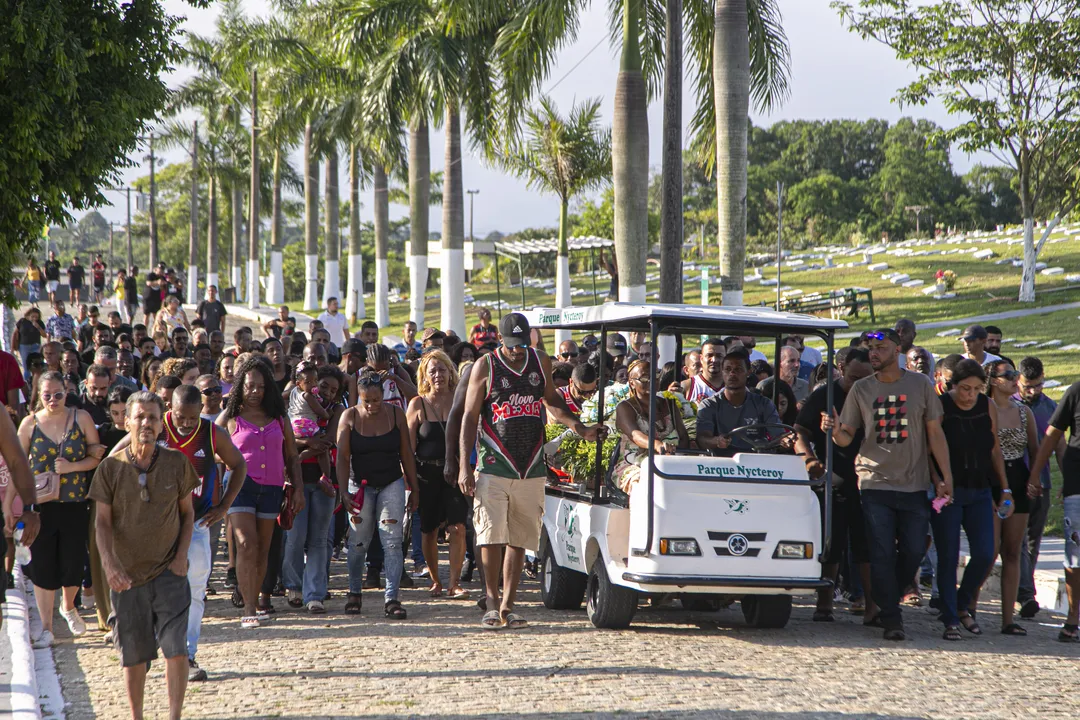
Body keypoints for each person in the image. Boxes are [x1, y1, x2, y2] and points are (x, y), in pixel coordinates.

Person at [458, 312, 600, 629]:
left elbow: (551, 401)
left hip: (531, 465)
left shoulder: (539, 361)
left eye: (522, 344)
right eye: (512, 345)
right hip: (493, 463)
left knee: (520, 538)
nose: (518, 350)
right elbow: (469, 416)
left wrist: (580, 427)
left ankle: (509, 605)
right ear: (501, 341)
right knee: (491, 535)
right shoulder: (486, 366)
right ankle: (491, 602)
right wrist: (462, 466)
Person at [822, 327, 952, 641]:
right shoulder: (862, 389)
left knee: (912, 550)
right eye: (869, 348)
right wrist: (834, 429)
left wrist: (946, 478)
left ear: (897, 349)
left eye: (879, 347)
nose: (873, 353)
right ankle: (892, 619)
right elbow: (847, 436)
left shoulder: (921, 384)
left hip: (914, 483)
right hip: (873, 481)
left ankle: (885, 595)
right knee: (880, 552)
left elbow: (935, 434)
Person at [89, 392, 198, 720]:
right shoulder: (110, 469)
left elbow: (188, 515)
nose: (146, 423)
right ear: (126, 421)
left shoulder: (177, 464)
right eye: (140, 417)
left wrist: (181, 557)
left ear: (161, 422)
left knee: (176, 649)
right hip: (127, 577)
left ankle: (174, 716)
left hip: (169, 572)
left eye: (153, 417)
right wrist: (110, 566)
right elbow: (102, 523)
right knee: (134, 656)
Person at [163, 385, 247, 680]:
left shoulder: (212, 433)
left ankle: (187, 654)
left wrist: (224, 506)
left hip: (198, 521)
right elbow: (117, 456)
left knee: (195, 589)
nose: (185, 423)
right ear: (168, 408)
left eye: (191, 417)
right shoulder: (155, 427)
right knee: (152, 589)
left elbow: (239, 465)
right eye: (179, 417)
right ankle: (146, 649)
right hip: (157, 524)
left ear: (200, 410)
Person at [17, 371, 103, 647]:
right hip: (41, 506)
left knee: (73, 561)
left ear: (67, 393)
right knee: (42, 565)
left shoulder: (81, 418)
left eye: (58, 394)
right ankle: (45, 627)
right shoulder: (29, 424)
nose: (53, 400)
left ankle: (68, 606)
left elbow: (95, 455)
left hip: (74, 503)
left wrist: (72, 467)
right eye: (47, 395)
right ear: (38, 396)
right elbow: (17, 464)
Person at [217, 356, 303, 628]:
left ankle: (257, 599)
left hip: (272, 487)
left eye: (261, 387)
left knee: (263, 548)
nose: (255, 391)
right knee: (246, 543)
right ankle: (249, 608)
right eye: (250, 386)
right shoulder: (231, 416)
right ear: (240, 386)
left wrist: (297, 488)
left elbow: (292, 455)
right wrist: (232, 460)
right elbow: (208, 445)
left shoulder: (279, 417)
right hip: (239, 487)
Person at [927, 360, 1006, 640]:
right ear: (953, 385)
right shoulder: (940, 406)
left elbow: (994, 447)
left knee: (986, 552)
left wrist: (1004, 488)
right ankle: (950, 618)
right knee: (948, 557)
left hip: (980, 489)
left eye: (976, 389)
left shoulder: (987, 406)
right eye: (964, 388)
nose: (970, 395)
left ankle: (962, 605)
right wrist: (938, 481)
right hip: (949, 492)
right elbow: (930, 449)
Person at [795, 347, 876, 622]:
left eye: (867, 378)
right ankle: (825, 602)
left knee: (867, 543)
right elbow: (800, 430)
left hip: (872, 477)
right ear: (841, 369)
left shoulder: (878, 394)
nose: (860, 384)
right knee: (832, 542)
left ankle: (870, 604)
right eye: (854, 377)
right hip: (836, 473)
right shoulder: (824, 395)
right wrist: (808, 459)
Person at [337, 370, 418, 618]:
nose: (371, 405)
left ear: (383, 396)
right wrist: (343, 491)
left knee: (392, 541)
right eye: (366, 401)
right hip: (360, 486)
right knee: (358, 542)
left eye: (376, 400)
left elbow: (406, 453)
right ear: (359, 398)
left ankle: (392, 597)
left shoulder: (396, 415)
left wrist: (414, 488)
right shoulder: (349, 417)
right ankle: (354, 592)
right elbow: (342, 457)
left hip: (391, 482)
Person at [966, 359, 1037, 636]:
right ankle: (968, 604)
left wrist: (1035, 479)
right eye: (1007, 375)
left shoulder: (1023, 412)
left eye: (1014, 374)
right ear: (993, 380)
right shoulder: (982, 408)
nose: (1013, 379)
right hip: (991, 480)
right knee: (988, 549)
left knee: (1012, 550)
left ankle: (1008, 619)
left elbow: (1034, 448)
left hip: (1018, 479)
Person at [407, 350, 470, 599]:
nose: (438, 375)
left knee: (458, 528)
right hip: (426, 473)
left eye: (442, 369)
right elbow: (408, 448)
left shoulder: (459, 400)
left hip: (454, 472)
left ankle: (454, 583)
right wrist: (410, 481)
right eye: (432, 370)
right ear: (424, 375)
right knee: (429, 530)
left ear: (450, 372)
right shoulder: (418, 404)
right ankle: (436, 580)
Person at [283, 366, 343, 614]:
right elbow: (287, 437)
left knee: (319, 540)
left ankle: (314, 594)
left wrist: (304, 449)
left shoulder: (336, 410)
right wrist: (308, 443)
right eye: (324, 386)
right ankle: (293, 585)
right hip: (296, 481)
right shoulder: (296, 401)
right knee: (295, 538)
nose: (326, 391)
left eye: (332, 389)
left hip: (323, 483)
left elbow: (328, 440)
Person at [1013, 356, 1065, 618]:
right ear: (1017, 381)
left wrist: (1069, 481)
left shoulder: (1051, 407)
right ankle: (1025, 594)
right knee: (1018, 541)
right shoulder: (1008, 405)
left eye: (1038, 385)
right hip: (1015, 484)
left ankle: (1024, 589)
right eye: (1027, 386)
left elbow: (1060, 447)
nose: (1033, 391)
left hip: (1041, 485)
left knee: (1034, 542)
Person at [613, 359, 691, 494]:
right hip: (634, 464)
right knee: (645, 483)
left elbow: (683, 436)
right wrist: (657, 445)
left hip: (669, 461)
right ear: (632, 382)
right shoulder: (625, 407)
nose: (651, 381)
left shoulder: (670, 404)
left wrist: (677, 455)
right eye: (644, 378)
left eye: (655, 376)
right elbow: (635, 435)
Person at [696, 349, 781, 457]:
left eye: (738, 369)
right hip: (721, 465)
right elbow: (702, 439)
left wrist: (785, 440)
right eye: (727, 369)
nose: (732, 373)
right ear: (722, 371)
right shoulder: (709, 405)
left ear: (749, 372)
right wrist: (717, 441)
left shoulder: (763, 404)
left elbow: (778, 435)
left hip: (756, 463)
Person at [287, 361, 332, 483]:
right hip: (306, 425)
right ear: (298, 383)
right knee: (322, 447)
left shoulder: (294, 392)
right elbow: (323, 414)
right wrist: (329, 414)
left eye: (315, 380)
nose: (313, 384)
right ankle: (326, 477)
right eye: (308, 382)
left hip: (293, 426)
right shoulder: (308, 396)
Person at [681, 338, 724, 403]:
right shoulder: (687, 386)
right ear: (701, 358)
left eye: (719, 356)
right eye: (709, 355)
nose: (714, 360)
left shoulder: (735, 386)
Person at [13, 307, 46, 382]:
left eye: (36, 317)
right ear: (28, 315)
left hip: (36, 345)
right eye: (32, 316)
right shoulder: (22, 321)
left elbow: (44, 335)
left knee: (37, 365)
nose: (34, 318)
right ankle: (27, 382)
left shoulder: (39, 323)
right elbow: (15, 333)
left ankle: (36, 380)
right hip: (24, 346)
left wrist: (38, 327)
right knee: (26, 366)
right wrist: (13, 347)